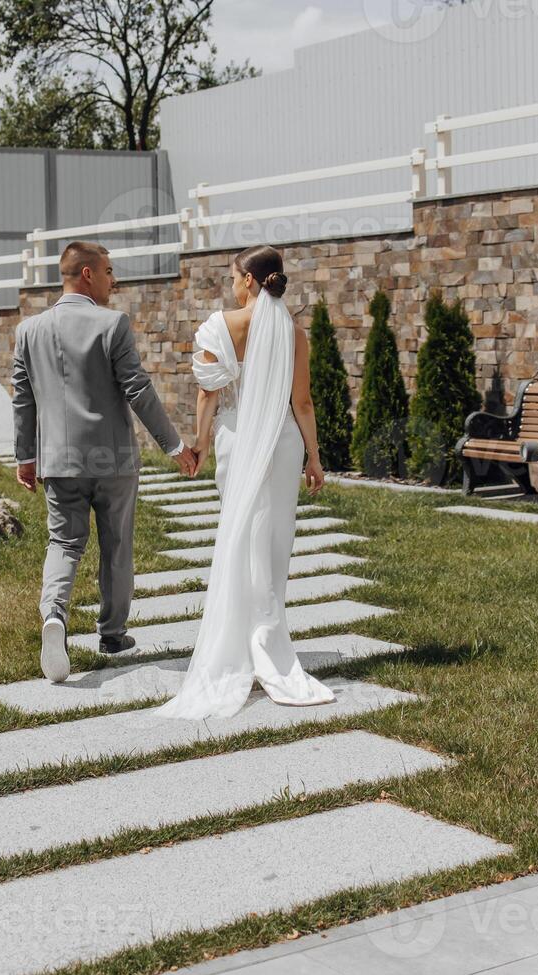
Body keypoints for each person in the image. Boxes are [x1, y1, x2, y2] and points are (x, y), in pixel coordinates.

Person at [156, 244, 334, 719]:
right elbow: (304, 404)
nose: (232, 285)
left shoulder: (222, 326)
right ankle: (267, 641)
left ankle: (240, 644)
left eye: (234, 277)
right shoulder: (295, 333)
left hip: (238, 440)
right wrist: (314, 459)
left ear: (250, 281)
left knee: (240, 538)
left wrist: (200, 445)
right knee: (274, 541)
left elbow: (207, 394)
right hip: (283, 442)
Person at [12, 241, 197, 683]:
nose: (115, 281)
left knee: (63, 544)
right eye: (110, 272)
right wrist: (173, 445)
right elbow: (138, 389)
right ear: (88, 274)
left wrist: (25, 457)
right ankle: (112, 634)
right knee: (116, 545)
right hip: (112, 459)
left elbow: (23, 399)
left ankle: (54, 617)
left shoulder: (28, 331)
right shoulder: (113, 324)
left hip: (58, 460)